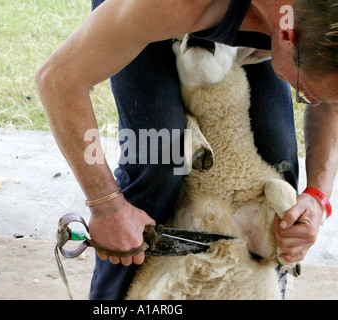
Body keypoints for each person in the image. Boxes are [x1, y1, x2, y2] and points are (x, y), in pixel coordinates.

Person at [36, 0, 338, 299]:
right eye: (307, 95)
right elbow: (59, 79)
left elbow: (331, 97)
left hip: (260, 22)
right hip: (153, 13)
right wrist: (106, 206)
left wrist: (317, 196)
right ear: (288, 35)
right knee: (161, 155)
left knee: (277, 157)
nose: (308, 98)